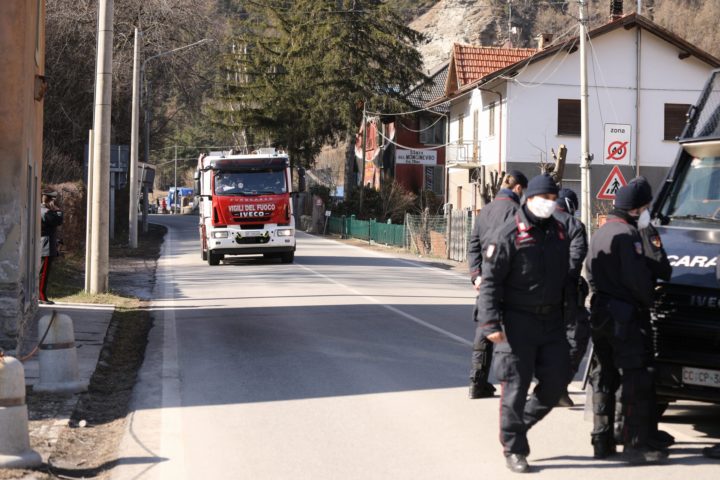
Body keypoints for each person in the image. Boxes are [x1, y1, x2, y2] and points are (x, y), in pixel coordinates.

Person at [475, 174, 570, 473]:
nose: (549, 205)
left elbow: (565, 277)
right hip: (518, 321)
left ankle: (519, 425)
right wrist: (490, 323)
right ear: (528, 198)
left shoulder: (558, 232)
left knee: (557, 382)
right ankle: (514, 447)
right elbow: (491, 282)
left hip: (552, 320)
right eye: (545, 199)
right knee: (515, 387)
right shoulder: (508, 234)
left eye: (554, 200)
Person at [586, 182, 669, 464]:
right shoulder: (628, 235)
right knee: (636, 378)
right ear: (636, 209)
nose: (647, 212)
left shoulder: (601, 232)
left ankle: (602, 439)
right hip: (625, 316)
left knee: (604, 377)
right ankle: (635, 445)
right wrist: (647, 299)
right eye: (645, 208)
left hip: (600, 314)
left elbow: (590, 273)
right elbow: (639, 281)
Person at [467, 170, 528, 399]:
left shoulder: (486, 211)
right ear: (519, 188)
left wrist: (477, 275)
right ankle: (511, 385)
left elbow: (473, 245)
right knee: (511, 334)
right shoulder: (518, 213)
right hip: (509, 280)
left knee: (484, 329)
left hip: (486, 280)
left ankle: (476, 382)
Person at [552, 188, 589, 407]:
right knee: (577, 336)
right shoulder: (573, 225)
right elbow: (576, 260)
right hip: (565, 293)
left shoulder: (533, 220)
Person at [39, 190, 64, 305]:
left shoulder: (42, 210)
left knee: (41, 272)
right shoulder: (45, 211)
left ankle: (40, 295)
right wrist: (58, 210)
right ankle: (41, 295)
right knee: (44, 274)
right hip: (46, 246)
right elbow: (58, 221)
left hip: (44, 244)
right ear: (50, 201)